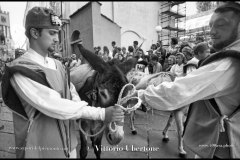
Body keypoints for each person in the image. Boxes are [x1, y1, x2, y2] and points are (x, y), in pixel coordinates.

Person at [1, 7, 124, 158]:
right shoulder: (21, 70)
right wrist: (102, 113)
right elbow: (56, 105)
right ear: (34, 33)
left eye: (57, 33)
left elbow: (72, 94)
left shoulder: (58, 66)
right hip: (40, 151)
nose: (57, 38)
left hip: (68, 147)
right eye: (52, 33)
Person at [134, 2, 240, 158]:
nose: (212, 31)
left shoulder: (228, 64)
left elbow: (178, 91)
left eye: (221, 25)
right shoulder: (228, 58)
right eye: (210, 26)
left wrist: (140, 94)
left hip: (220, 148)